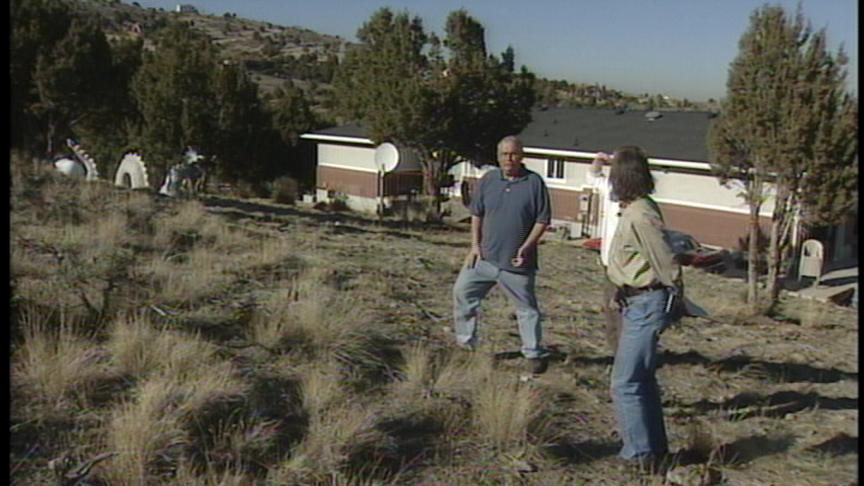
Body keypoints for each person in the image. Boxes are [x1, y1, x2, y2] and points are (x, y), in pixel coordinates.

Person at [606, 145, 681, 471]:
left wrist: (676, 300)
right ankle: (654, 451)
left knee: (625, 382)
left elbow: (665, 260)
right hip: (635, 299)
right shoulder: (636, 209)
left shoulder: (641, 214)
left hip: (647, 302)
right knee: (642, 380)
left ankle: (638, 457)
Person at [452, 135, 552, 374]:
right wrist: (474, 246)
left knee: (527, 310)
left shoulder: (534, 183)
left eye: (513, 154)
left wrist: (527, 246)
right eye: (504, 154)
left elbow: (542, 220)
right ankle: (466, 345)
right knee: (462, 294)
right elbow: (477, 214)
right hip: (483, 259)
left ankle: (533, 353)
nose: (509, 159)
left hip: (517, 264)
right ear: (498, 157)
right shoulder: (489, 180)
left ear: (521, 155)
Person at [586, 151, 623, 353]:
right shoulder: (610, 188)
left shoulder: (638, 197)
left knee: (625, 311)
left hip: (628, 265)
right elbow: (592, 177)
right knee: (610, 309)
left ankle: (629, 355)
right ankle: (616, 352)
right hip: (609, 262)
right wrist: (599, 160)